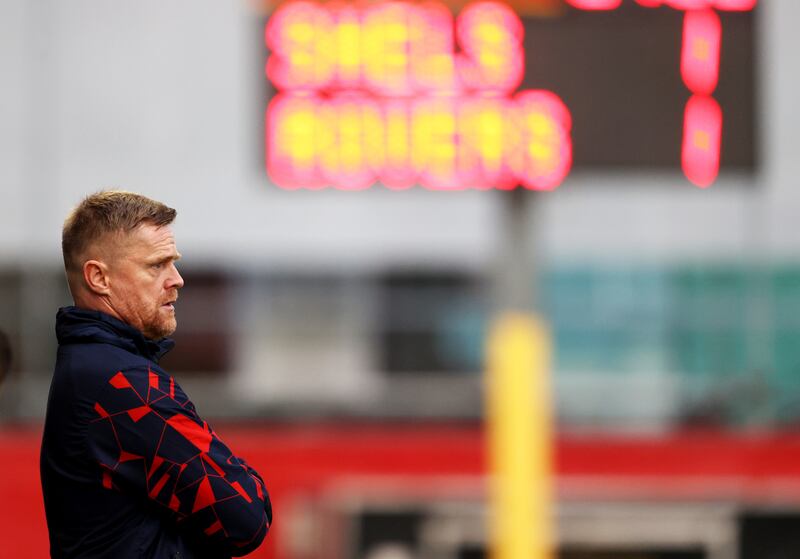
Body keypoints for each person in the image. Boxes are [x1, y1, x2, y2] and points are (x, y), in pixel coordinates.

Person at [40, 191, 272, 558]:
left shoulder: (91, 367)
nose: (177, 279)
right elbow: (246, 517)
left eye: (174, 263)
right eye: (156, 265)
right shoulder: (122, 382)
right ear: (99, 278)